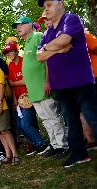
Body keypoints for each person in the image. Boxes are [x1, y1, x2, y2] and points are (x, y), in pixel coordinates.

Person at [37, 0, 97, 168]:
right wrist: (57, 49)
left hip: (81, 81)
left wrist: (49, 49)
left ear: (61, 4)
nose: (46, 9)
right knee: (72, 121)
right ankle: (79, 154)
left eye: (49, 4)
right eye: (44, 6)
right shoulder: (47, 33)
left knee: (93, 117)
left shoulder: (71, 19)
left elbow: (65, 39)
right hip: (61, 85)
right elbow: (39, 56)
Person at [12, 16, 68, 158]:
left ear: (30, 25)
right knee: (45, 119)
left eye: (21, 24)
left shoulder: (37, 36)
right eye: (17, 26)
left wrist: (47, 80)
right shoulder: (27, 43)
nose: (18, 28)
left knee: (53, 116)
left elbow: (48, 58)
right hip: (33, 90)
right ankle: (55, 144)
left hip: (43, 86)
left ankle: (63, 145)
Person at [3, 43, 47, 155]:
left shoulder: (24, 62)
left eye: (11, 51)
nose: (9, 54)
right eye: (7, 53)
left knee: (25, 124)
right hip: (19, 100)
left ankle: (41, 144)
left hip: (29, 97)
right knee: (19, 125)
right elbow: (12, 85)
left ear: (16, 51)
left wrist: (13, 83)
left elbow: (27, 80)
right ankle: (35, 143)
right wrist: (14, 98)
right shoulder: (10, 66)